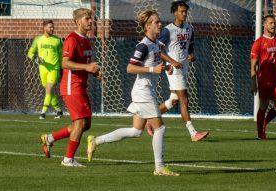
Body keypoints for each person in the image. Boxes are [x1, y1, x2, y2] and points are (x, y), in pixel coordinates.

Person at [87, 10, 179, 176]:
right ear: (147, 26)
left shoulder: (156, 43)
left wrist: (167, 66)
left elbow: (157, 59)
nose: (160, 24)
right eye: (156, 22)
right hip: (143, 92)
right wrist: (153, 69)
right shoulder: (142, 45)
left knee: (136, 131)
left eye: (159, 22)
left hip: (146, 91)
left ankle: (96, 140)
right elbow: (130, 68)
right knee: (160, 128)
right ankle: (159, 168)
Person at [40, 8, 102, 167]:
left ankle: (49, 138)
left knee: (85, 124)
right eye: (87, 18)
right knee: (80, 123)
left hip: (81, 86)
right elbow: (65, 63)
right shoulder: (72, 39)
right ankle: (68, 159)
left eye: (91, 19)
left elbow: (84, 65)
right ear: (78, 21)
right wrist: (87, 67)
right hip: (71, 86)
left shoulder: (86, 40)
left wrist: (93, 71)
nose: (90, 21)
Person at [145, 0, 209, 141]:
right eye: (182, 11)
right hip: (173, 69)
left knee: (174, 100)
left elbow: (190, 46)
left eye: (186, 11)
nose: (184, 14)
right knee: (184, 99)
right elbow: (158, 50)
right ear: (175, 13)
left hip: (183, 67)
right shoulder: (168, 30)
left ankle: (149, 119)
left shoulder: (189, 28)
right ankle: (193, 133)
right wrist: (172, 61)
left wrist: (191, 55)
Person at [27, 20, 63, 119]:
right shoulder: (38, 39)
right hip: (42, 69)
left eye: (53, 27)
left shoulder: (57, 40)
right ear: (44, 28)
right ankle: (59, 111)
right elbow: (30, 53)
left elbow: (61, 56)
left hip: (54, 69)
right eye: (50, 27)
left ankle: (43, 113)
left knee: (49, 89)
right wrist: (36, 58)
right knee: (49, 91)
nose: (52, 29)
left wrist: (62, 69)